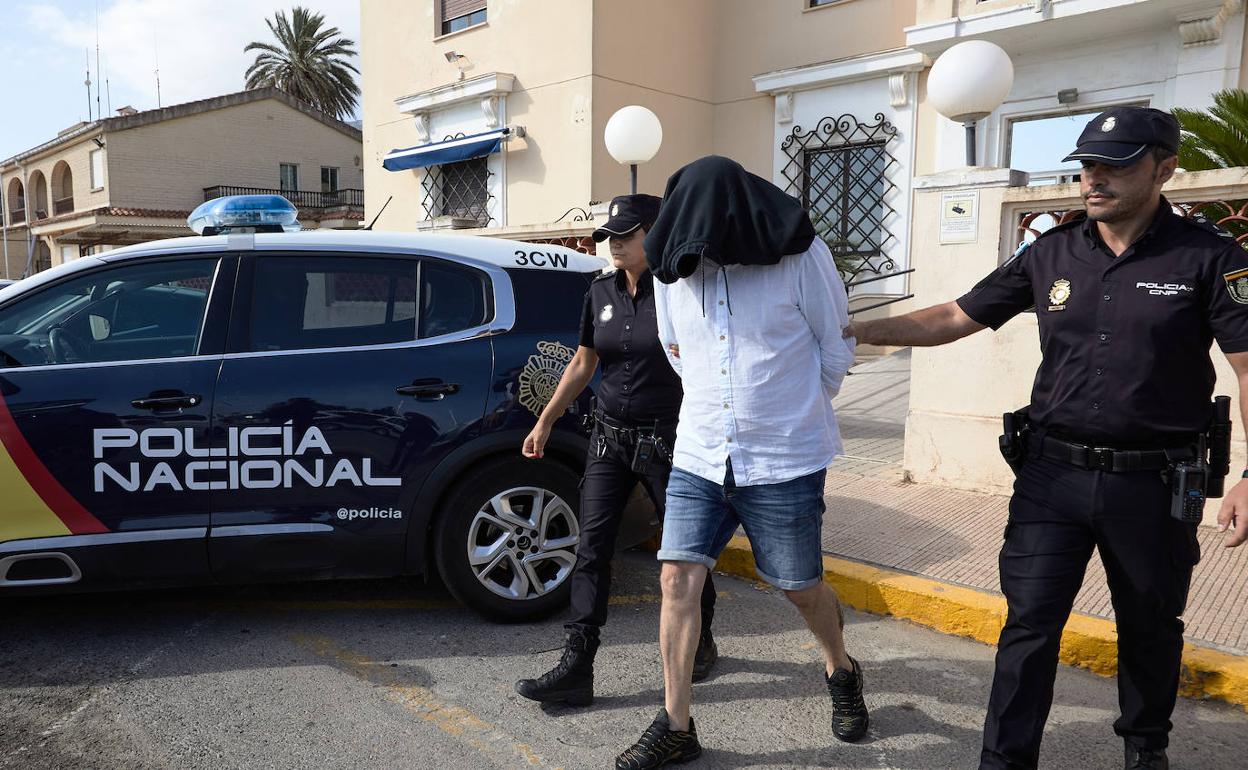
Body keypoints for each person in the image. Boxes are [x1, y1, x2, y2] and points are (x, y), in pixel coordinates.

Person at [845, 106, 1248, 770]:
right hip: (1051, 479)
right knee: (1029, 624)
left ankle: (1145, 748)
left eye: (1114, 167)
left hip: (1152, 484)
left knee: (1150, 625)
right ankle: (1005, 760)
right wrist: (856, 330)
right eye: (1087, 166)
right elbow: (955, 316)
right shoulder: (1050, 252)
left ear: (1164, 170)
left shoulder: (1210, 257)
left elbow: (1246, 366)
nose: (1094, 179)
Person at [614, 156, 866, 770]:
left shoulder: (801, 257)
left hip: (784, 458)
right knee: (677, 578)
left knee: (799, 586)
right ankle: (676, 725)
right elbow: (677, 351)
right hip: (699, 453)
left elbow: (836, 348)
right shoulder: (673, 271)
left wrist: (789, 411)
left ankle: (840, 668)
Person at [515, 194, 719, 708]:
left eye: (626, 235)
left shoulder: (681, 291)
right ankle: (577, 666)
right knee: (592, 548)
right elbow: (583, 363)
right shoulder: (600, 291)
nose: (615, 244)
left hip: (670, 440)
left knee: (686, 551)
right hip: (610, 438)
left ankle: (702, 639)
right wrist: (545, 420)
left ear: (656, 233)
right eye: (610, 236)